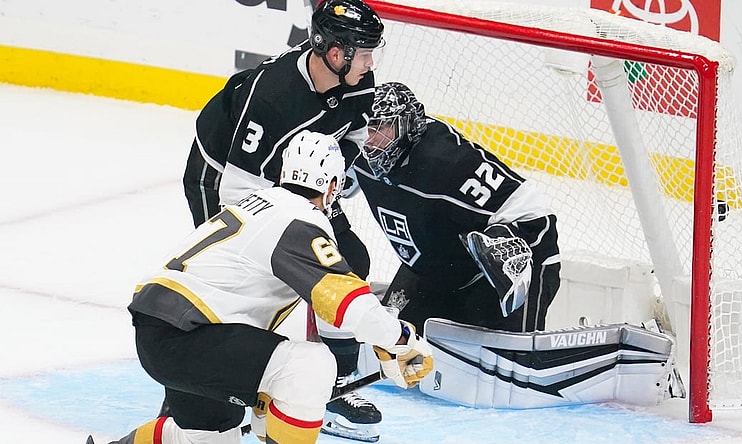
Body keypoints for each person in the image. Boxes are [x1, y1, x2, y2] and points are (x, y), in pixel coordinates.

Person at [86, 131, 432, 444]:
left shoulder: (258, 205)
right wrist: (399, 340)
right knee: (311, 368)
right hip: (190, 335)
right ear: (332, 186)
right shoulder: (300, 219)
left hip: (167, 333)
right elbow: (346, 302)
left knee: (207, 441)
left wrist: (273, 396)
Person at [178, 1, 386, 439]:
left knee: (350, 262)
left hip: (301, 179)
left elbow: (351, 136)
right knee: (238, 288)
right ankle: (193, 401)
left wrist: (325, 188)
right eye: (364, 53)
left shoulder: (359, 82)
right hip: (219, 176)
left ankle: (335, 384)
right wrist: (280, 235)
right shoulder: (273, 95)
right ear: (334, 53)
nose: (370, 64)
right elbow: (237, 191)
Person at [353, 82, 562, 335]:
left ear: (409, 125)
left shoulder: (447, 162)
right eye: (368, 127)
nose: (371, 140)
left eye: (382, 127)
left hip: (492, 280)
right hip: (431, 273)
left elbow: (536, 217)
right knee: (387, 342)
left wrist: (507, 244)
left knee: (509, 364)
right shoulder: (358, 152)